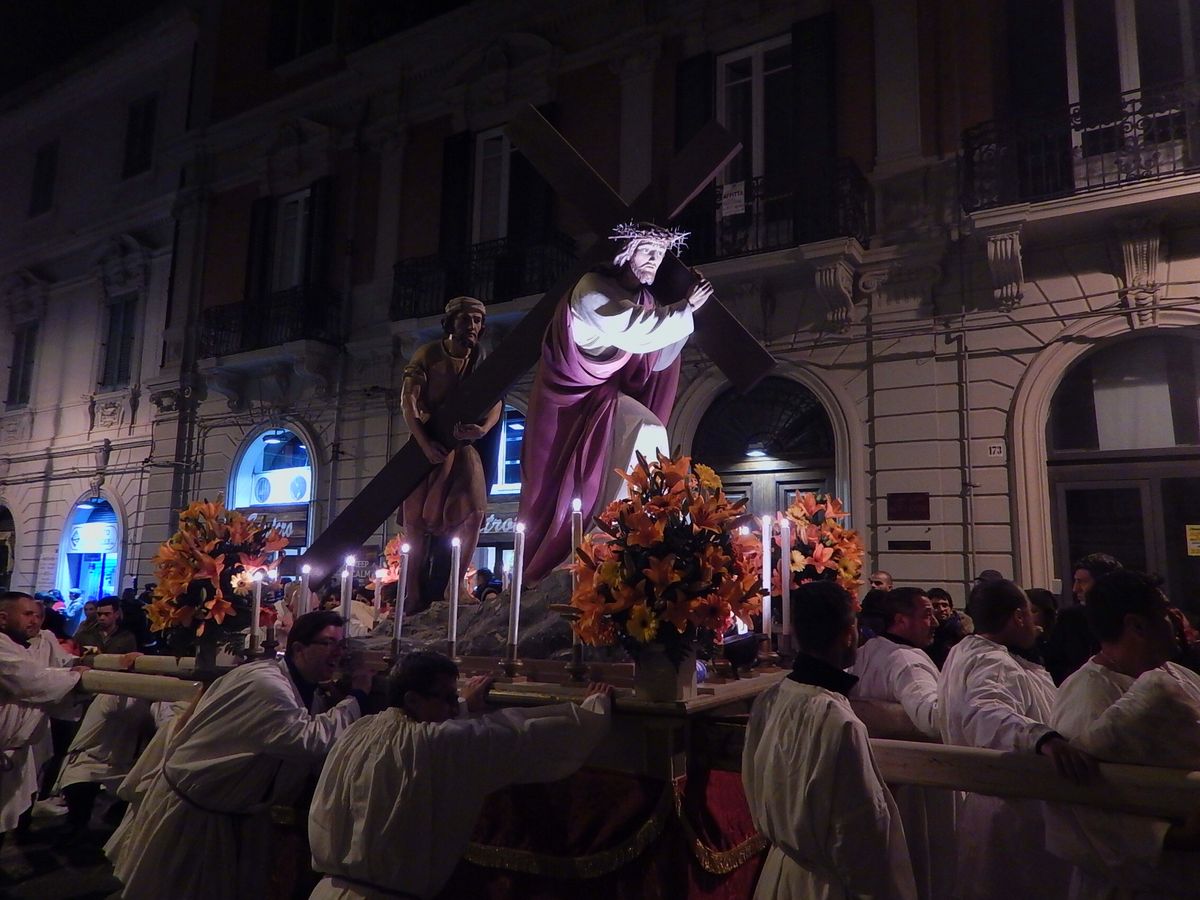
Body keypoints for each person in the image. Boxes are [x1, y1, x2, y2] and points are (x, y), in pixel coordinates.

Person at [106, 611, 371, 900]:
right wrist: (356, 698)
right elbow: (306, 740)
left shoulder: (296, 684)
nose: (339, 653)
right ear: (298, 648)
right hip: (194, 816)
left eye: (342, 645)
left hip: (226, 813)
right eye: (329, 643)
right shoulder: (266, 685)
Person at [308, 652, 615, 899]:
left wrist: (463, 704)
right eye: (445, 698)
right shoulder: (434, 744)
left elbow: (440, 735)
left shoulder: (360, 730)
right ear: (412, 700)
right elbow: (521, 734)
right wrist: (593, 711)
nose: (452, 709)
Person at [517, 222, 713, 583]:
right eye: (647, 251)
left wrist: (682, 315)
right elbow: (638, 330)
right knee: (641, 431)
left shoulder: (645, 301)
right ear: (625, 252)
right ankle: (612, 533)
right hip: (569, 407)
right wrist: (685, 310)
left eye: (660, 254)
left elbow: (656, 354)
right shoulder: (592, 291)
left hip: (604, 400)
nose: (655, 260)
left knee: (647, 430)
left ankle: (635, 528)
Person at [743, 581, 917, 899]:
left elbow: (754, 788)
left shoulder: (770, 699)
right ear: (849, 632)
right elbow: (861, 831)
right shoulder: (840, 722)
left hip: (781, 874)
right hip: (828, 886)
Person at [938, 579, 1096, 900]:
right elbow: (986, 711)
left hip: (990, 806)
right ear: (1018, 617)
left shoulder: (964, 652)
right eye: (1028, 610)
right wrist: (1044, 738)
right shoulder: (993, 662)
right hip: (1014, 811)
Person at [1047, 569, 1200, 898]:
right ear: (1137, 626)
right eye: (1164, 615)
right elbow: (1081, 811)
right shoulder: (1086, 696)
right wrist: (1177, 836)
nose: (1176, 623)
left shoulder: (1175, 674)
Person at [850, 587, 954, 900]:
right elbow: (933, 717)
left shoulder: (867, 651)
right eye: (926, 614)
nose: (934, 621)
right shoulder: (908, 663)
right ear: (900, 620)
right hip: (915, 787)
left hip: (880, 778)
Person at [399, 295, 501, 612]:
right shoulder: (429, 354)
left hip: (462, 444)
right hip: (430, 443)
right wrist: (425, 443)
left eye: (476, 320)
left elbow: (495, 398)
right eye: (464, 319)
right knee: (415, 523)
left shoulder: (481, 357)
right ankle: (412, 590)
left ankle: (454, 587)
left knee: (475, 513)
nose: (471, 325)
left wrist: (483, 428)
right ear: (450, 323)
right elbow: (408, 402)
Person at [0, 592, 84, 863]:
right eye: (27, 614)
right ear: (3, 618)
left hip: (17, 751)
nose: (35, 620)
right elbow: (32, 681)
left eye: (38, 615)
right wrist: (76, 677)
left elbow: (63, 664)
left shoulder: (39, 642)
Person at [1044, 553, 1122, 685]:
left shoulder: (1127, 619)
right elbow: (1054, 664)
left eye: (1082, 582)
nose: (1075, 589)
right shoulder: (1069, 618)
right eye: (1075, 581)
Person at [72, 596, 137, 655]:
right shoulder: (85, 635)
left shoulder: (126, 637)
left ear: (116, 614)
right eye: (99, 614)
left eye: (107, 614)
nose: (102, 618)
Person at [927, 587, 973, 669]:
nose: (941, 609)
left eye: (945, 605)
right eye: (936, 606)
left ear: (951, 609)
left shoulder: (962, 631)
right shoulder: (925, 633)